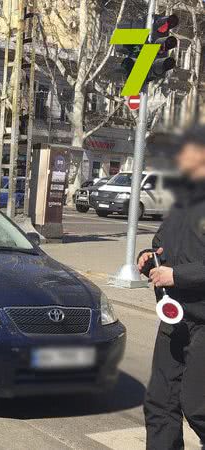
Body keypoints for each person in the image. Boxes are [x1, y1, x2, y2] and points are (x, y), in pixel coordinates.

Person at [138, 125, 205, 449]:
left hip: (204, 321)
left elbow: (182, 268)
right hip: (175, 319)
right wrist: (148, 258)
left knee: (198, 407)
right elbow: (163, 246)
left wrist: (177, 276)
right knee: (159, 401)